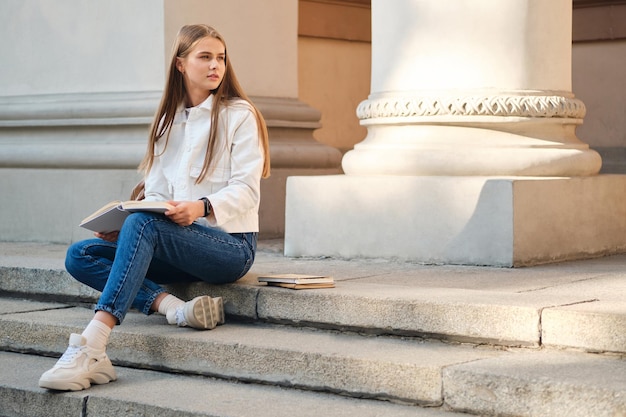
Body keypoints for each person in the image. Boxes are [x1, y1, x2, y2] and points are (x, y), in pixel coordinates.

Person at [39, 24, 270, 391]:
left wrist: (201, 206)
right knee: (80, 254)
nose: (216, 66)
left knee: (142, 226)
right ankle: (172, 308)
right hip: (176, 243)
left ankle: (93, 345)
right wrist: (123, 223)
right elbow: (156, 197)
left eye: (221, 58)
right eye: (205, 57)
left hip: (230, 247)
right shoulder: (168, 121)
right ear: (180, 64)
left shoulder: (239, 114)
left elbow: (246, 189)